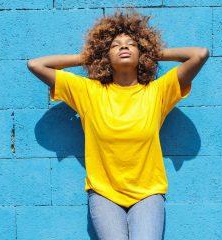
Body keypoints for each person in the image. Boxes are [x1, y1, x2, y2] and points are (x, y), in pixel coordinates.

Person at [27, 7, 209, 240]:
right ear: (105, 55)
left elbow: (200, 54)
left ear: (141, 52)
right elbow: (36, 65)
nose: (123, 46)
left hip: (147, 193)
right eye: (115, 45)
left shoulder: (158, 92)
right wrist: (90, 56)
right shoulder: (88, 92)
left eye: (131, 44)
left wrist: (153, 52)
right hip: (105, 193)